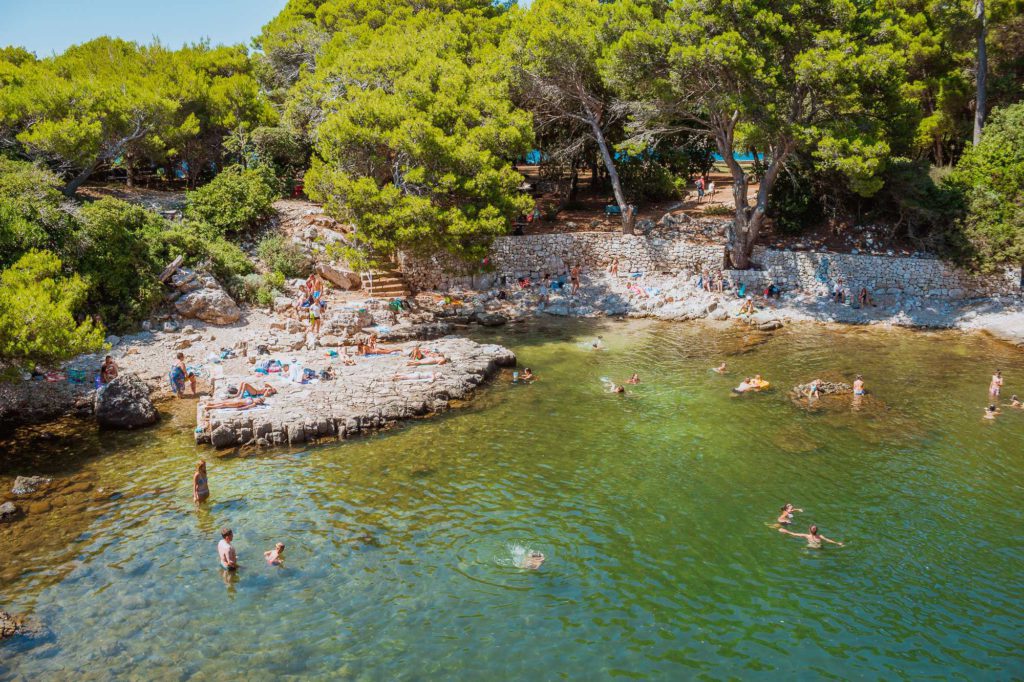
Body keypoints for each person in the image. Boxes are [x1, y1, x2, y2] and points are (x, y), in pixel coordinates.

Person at [779, 524, 843, 548]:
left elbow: (827, 540)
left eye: (815, 528)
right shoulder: (807, 536)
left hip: (820, 548)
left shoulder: (820, 536)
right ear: (810, 529)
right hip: (810, 547)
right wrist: (785, 531)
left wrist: (837, 543)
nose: (814, 529)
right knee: (805, 549)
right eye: (813, 528)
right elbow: (794, 534)